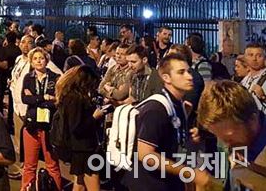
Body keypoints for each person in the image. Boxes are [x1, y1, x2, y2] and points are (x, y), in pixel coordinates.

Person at [121, 53, 216, 191]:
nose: (189, 77)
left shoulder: (178, 105)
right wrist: (188, 172)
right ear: (166, 78)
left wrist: (189, 139)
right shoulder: (157, 108)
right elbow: (146, 155)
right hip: (149, 184)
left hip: (168, 182)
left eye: (189, 71)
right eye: (181, 72)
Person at [197, 80, 266, 190]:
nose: (226, 143)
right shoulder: (239, 145)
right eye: (218, 136)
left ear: (252, 120)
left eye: (229, 137)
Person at [21, 47, 62, 190]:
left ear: (47, 60)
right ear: (31, 62)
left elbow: (57, 101)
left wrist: (36, 98)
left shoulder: (55, 77)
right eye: (35, 58)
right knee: (29, 165)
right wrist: (44, 97)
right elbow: (25, 99)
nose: (39, 61)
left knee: (52, 165)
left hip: (49, 127)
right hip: (32, 125)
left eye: (41, 58)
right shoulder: (28, 77)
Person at [55, 65, 102, 191]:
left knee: (79, 185)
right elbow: (76, 127)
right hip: (85, 150)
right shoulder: (75, 99)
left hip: (79, 149)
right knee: (94, 187)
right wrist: (95, 117)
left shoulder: (68, 96)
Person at [240, 43, 266, 114]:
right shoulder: (245, 80)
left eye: (259, 56)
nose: (254, 59)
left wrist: (263, 97)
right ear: (245, 58)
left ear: (264, 58)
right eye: (250, 55)